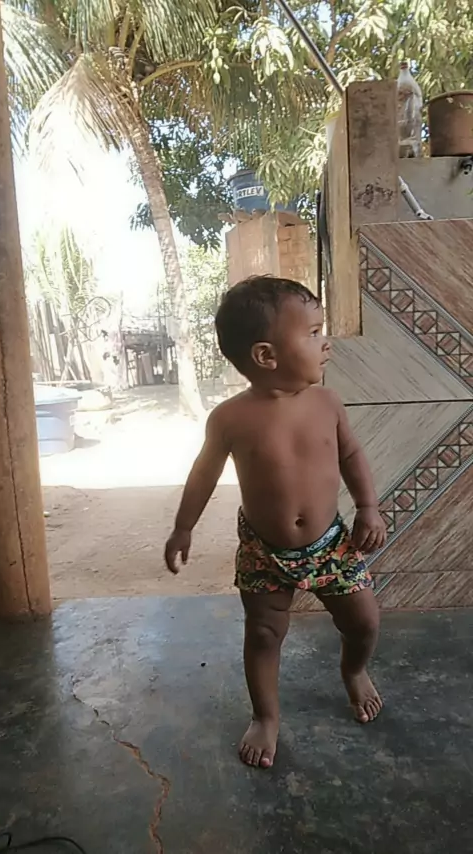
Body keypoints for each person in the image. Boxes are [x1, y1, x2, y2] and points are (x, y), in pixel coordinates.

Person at [165, 276, 387, 770]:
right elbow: (203, 475)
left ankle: (354, 671)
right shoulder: (230, 418)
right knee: (264, 633)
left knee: (364, 621)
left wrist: (368, 507)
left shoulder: (327, 403)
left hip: (332, 544)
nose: (326, 342)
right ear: (266, 356)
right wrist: (184, 527)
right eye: (313, 332)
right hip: (263, 550)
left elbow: (351, 455)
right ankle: (265, 716)